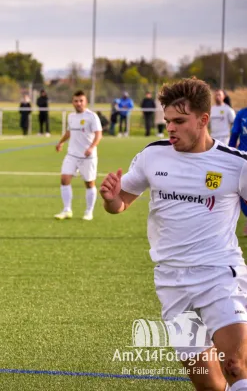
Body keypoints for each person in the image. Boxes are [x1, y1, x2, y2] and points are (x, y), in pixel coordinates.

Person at [100, 77, 247, 391]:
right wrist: (111, 198)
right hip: (171, 283)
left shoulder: (235, 165)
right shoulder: (153, 156)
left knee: (236, 364)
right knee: (208, 384)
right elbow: (120, 203)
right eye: (167, 121)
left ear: (203, 120)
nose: (170, 128)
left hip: (220, 275)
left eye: (179, 121)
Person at [54, 90, 103, 221]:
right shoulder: (71, 116)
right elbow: (69, 132)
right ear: (72, 102)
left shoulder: (92, 116)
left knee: (89, 183)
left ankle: (89, 212)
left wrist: (91, 147)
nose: (78, 103)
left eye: (81, 101)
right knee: (64, 179)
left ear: (85, 102)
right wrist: (60, 142)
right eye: (76, 101)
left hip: (88, 156)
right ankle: (66, 210)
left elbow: (98, 134)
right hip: (72, 155)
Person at [230, 107, 247, 236]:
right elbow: (234, 135)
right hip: (243, 159)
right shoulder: (241, 114)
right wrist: (229, 154)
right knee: (240, 193)